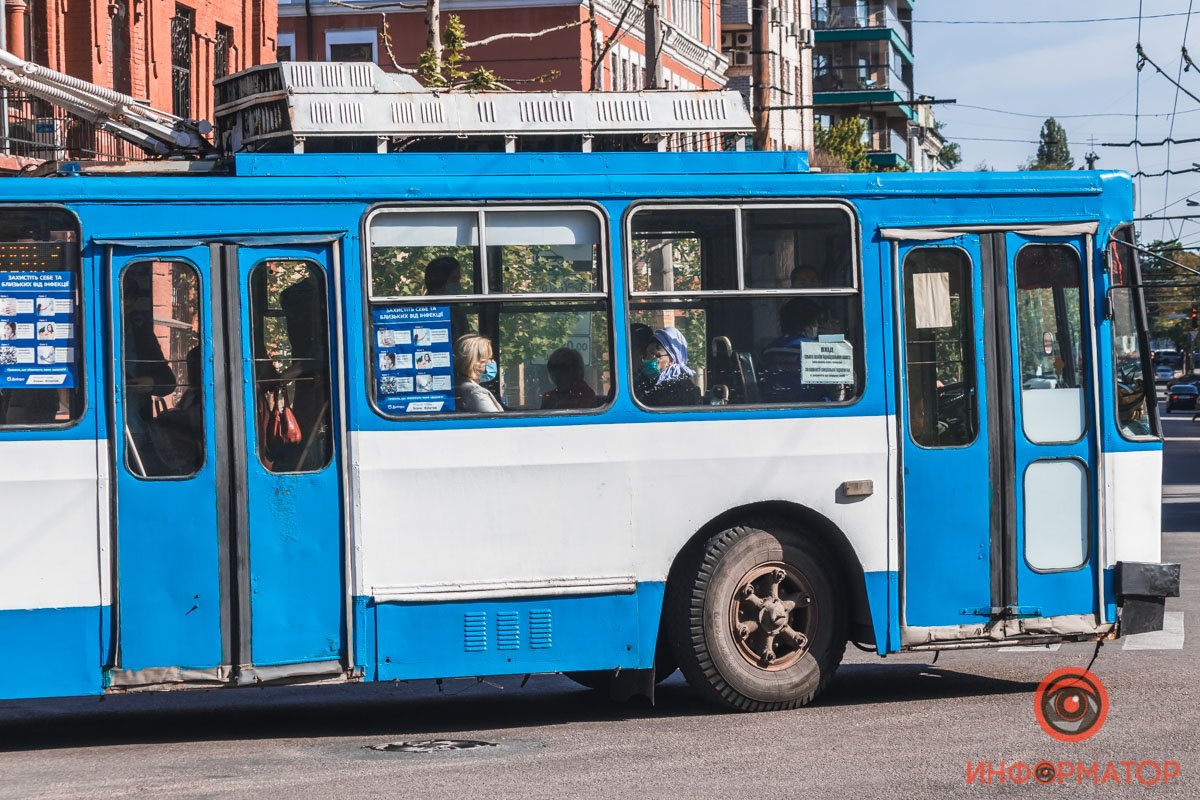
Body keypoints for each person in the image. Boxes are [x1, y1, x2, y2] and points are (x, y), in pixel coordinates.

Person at [758, 298, 831, 404]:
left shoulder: (769, 349)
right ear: (809, 323)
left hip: (775, 402)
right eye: (816, 322)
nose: (817, 326)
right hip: (811, 403)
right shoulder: (814, 347)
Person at [635, 327, 701, 407]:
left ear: (672, 359)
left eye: (653, 354)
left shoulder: (682, 389)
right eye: (646, 355)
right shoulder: (642, 381)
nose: (648, 359)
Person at [455, 333, 504, 413]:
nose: (493, 362)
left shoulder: (462, 385)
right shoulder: (476, 392)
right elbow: (496, 422)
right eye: (489, 358)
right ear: (476, 363)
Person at [424, 256, 468, 336]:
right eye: (454, 279)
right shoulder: (422, 311)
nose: (458, 284)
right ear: (439, 281)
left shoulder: (457, 312)